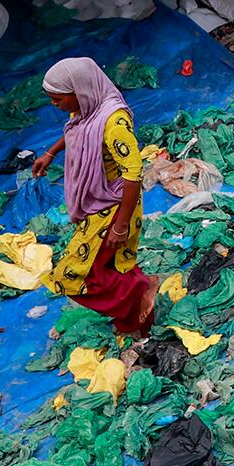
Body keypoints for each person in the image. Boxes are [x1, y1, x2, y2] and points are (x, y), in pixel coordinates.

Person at [33, 57, 154, 338]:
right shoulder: (88, 109)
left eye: (58, 99)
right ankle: (134, 322)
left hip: (114, 204)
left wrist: (121, 224)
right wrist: (51, 153)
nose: (55, 105)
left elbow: (133, 174)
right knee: (109, 264)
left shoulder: (114, 121)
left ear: (80, 91)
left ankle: (141, 292)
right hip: (98, 200)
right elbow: (78, 129)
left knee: (77, 273)